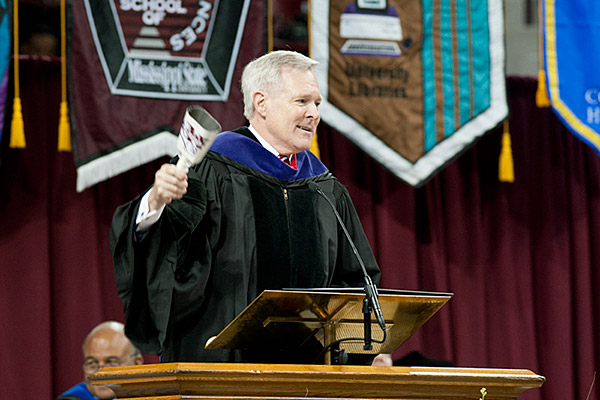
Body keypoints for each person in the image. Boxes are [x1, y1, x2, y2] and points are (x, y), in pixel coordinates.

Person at [110, 50, 381, 363]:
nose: (314, 114)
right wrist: (155, 202)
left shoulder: (323, 187)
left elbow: (357, 282)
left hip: (306, 374)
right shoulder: (209, 169)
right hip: (223, 368)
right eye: (302, 101)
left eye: (317, 103)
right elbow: (165, 257)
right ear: (261, 103)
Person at [56, 321, 144, 400]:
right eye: (92, 363)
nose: (100, 373)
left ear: (137, 363)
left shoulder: (153, 393)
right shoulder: (74, 397)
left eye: (112, 362)